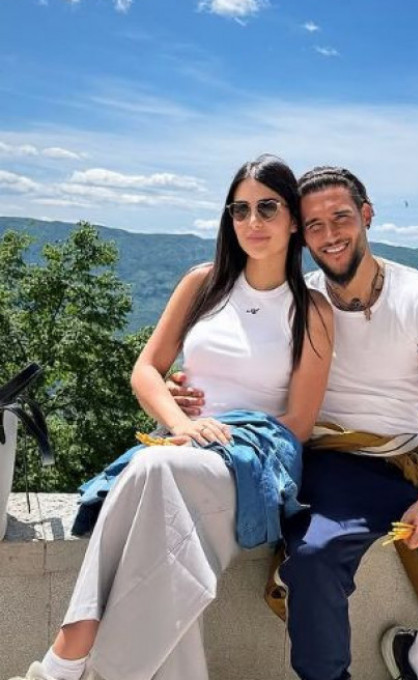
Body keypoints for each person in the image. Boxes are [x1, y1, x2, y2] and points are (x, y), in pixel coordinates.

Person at [170, 166, 418, 680]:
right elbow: (244, 368)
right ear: (300, 233)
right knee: (314, 558)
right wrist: (193, 393)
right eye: (314, 225)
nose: (329, 235)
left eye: (341, 217)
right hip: (331, 466)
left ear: (367, 215)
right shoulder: (300, 302)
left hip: (408, 461)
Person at [9, 155, 333, 680]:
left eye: (268, 208)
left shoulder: (311, 310)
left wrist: (224, 440)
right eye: (240, 210)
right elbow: (146, 370)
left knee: (152, 468)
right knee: (161, 510)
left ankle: (68, 653)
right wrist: (182, 426)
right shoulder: (203, 284)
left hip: (253, 466)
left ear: (294, 218)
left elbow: (297, 423)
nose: (253, 221)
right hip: (182, 447)